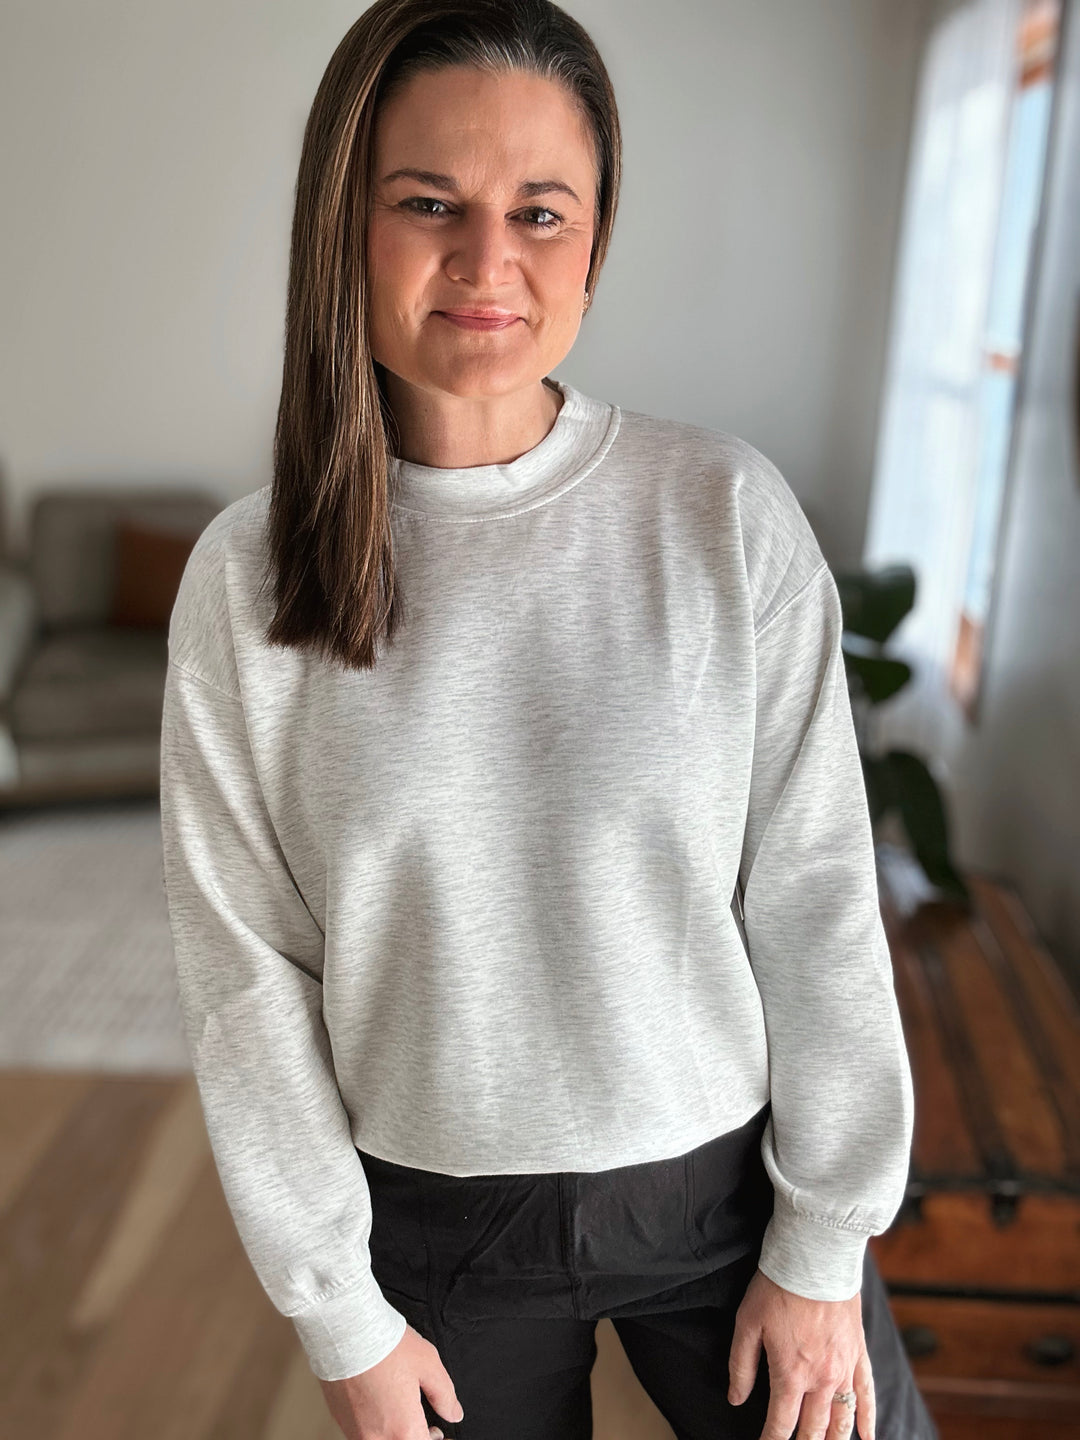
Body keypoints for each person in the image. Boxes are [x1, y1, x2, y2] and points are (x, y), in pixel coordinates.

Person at [158, 2, 939, 1438]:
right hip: (435, 1241)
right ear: (347, 218)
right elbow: (244, 973)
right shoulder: (249, 579)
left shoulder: (723, 515)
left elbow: (819, 894)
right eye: (431, 204)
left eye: (539, 211)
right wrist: (337, 1311)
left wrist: (826, 1245)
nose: (487, 261)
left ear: (596, 238)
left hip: (728, 1195)